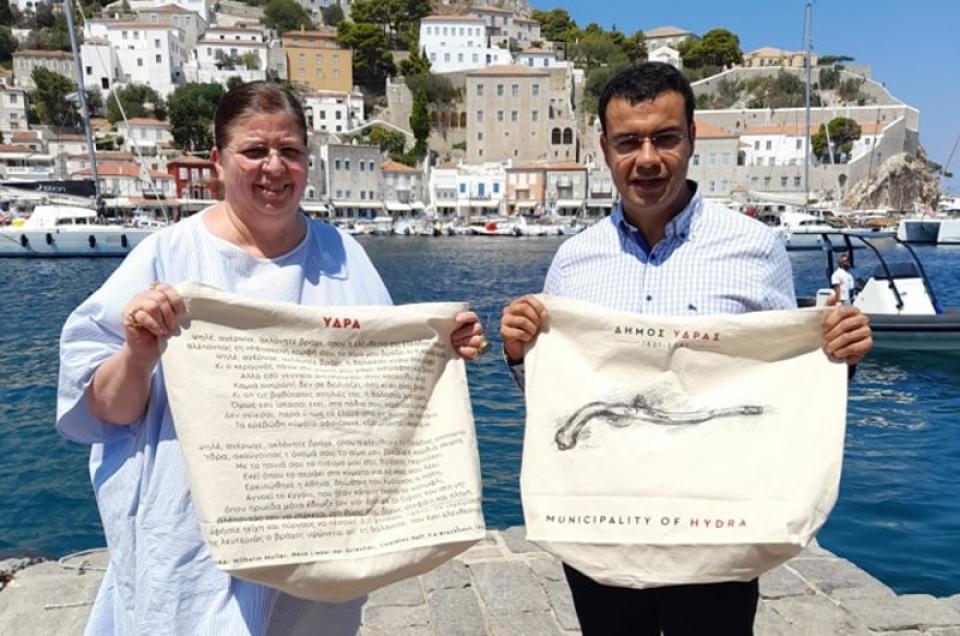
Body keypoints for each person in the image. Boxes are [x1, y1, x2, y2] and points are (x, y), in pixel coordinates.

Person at [57, 81, 486, 635]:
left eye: (290, 151)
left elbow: (385, 387)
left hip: (317, 532)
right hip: (195, 540)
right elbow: (104, 412)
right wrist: (137, 354)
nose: (274, 167)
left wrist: (441, 351)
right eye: (255, 150)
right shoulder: (166, 256)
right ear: (218, 160)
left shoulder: (344, 255)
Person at [500, 63, 872, 635]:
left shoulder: (756, 248)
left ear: (692, 138)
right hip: (603, 521)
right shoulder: (572, 261)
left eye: (665, 138)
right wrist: (520, 354)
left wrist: (838, 359)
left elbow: (785, 382)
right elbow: (557, 396)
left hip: (715, 525)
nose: (647, 158)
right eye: (629, 142)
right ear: (605, 149)